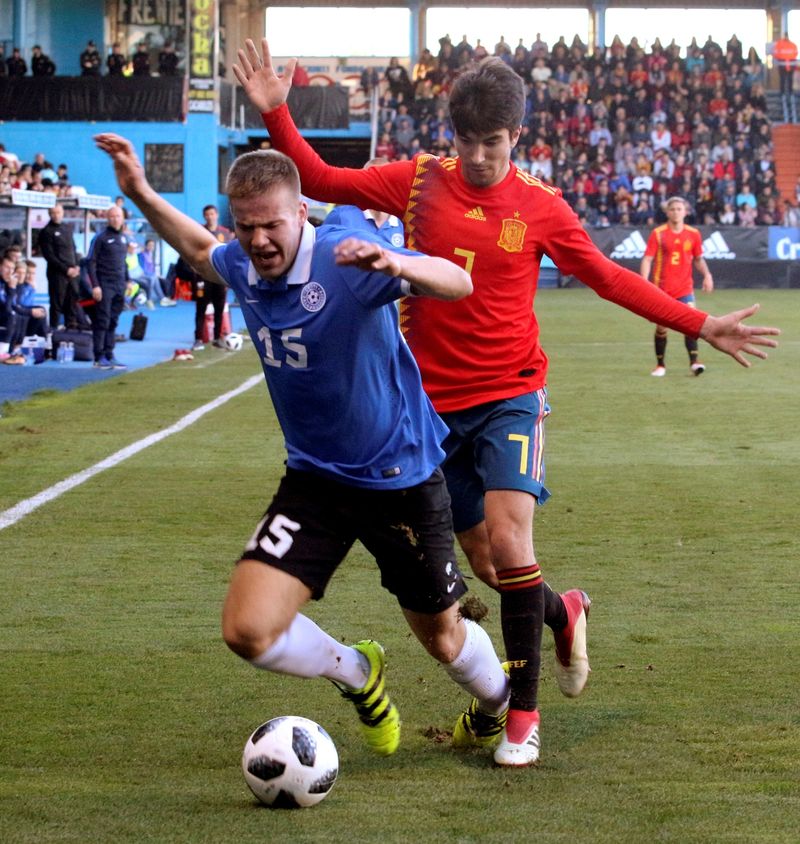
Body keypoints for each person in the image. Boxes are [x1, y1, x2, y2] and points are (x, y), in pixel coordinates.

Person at [236, 38, 780, 767]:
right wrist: (277, 113)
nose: (481, 156)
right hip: (430, 410)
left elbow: (610, 279)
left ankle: (523, 716)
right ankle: (564, 611)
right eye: (468, 141)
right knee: (490, 564)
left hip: (511, 394)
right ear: (452, 135)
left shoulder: (541, 208)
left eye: (493, 142)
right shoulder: (422, 180)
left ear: (516, 136)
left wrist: (701, 323)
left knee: (513, 543)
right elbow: (324, 177)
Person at [95, 131, 514, 762]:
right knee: (247, 631)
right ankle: (356, 673)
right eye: (245, 227)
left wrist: (400, 265)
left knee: (446, 643)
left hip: (399, 478)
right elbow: (202, 250)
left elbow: (455, 281)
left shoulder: (349, 264)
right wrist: (142, 192)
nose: (257, 240)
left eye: (270, 226)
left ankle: (498, 705)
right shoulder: (243, 259)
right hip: (315, 482)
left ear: (300, 213)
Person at [640, 197, 714, 377]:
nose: (676, 212)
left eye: (679, 209)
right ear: (667, 212)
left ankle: (695, 362)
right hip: (661, 289)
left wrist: (707, 275)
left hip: (684, 289)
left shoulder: (693, 233)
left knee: (691, 324)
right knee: (662, 327)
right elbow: (648, 259)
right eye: (672, 209)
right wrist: (642, 282)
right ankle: (660, 365)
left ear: (685, 212)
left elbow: (698, 258)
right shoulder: (658, 233)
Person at [322, 158, 404, 249]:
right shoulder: (340, 216)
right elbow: (321, 253)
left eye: (385, 180)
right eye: (371, 180)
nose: (379, 186)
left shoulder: (404, 224)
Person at [86, 205, 129, 369]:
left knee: (113, 321)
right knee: (102, 321)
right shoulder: (100, 238)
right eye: (112, 216)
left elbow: (123, 262)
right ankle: (99, 356)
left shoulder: (123, 238)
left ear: (123, 218)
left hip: (120, 285)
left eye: (118, 216)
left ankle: (110, 354)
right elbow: (90, 262)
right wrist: (95, 285)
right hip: (104, 284)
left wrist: (128, 280)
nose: (115, 219)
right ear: (107, 218)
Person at [188, 205, 233, 350]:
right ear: (204, 216)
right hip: (202, 278)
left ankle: (218, 338)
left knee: (219, 309)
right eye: (207, 214)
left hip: (219, 277)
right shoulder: (198, 232)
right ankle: (198, 339)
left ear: (217, 215)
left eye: (212, 214)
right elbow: (190, 251)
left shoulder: (224, 233)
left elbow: (230, 253)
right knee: (201, 309)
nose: (210, 217)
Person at [37, 204, 81, 330]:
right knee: (57, 303)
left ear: (63, 213)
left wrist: (76, 265)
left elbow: (74, 249)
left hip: (73, 272)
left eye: (58, 212)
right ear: (50, 214)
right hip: (57, 273)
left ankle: (71, 329)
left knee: (72, 302)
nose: (56, 215)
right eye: (53, 213)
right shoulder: (46, 231)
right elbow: (49, 256)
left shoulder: (67, 228)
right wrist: (66, 269)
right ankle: (53, 331)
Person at [773, 33, 798, 100]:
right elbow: (776, 53)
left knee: (788, 79)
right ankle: (784, 92)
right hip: (784, 64)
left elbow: (795, 53)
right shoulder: (780, 44)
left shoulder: (791, 44)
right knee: (784, 79)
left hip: (788, 64)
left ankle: (788, 92)